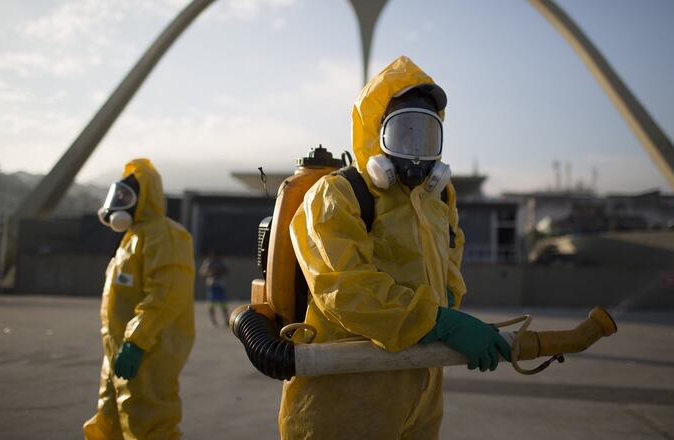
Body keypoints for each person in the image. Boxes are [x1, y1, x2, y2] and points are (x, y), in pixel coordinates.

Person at [280, 56, 510, 438]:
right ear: (376, 133)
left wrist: (448, 317)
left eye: (426, 134)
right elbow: (345, 289)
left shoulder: (437, 203)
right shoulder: (338, 195)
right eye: (404, 132)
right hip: (345, 399)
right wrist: (439, 323)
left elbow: (450, 279)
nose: (416, 148)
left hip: (421, 392)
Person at [84, 158, 195, 439]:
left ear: (145, 197)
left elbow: (167, 295)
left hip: (149, 350)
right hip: (120, 350)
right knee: (110, 420)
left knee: (149, 422)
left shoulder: (165, 235)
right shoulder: (133, 238)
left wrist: (137, 341)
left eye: (125, 196)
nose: (118, 203)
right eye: (116, 196)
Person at [199, 250, 230, 326]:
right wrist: (209, 271)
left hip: (220, 285)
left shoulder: (221, 262)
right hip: (212, 285)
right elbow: (203, 272)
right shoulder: (208, 262)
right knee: (211, 304)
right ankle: (213, 320)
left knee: (223, 304)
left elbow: (227, 270)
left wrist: (218, 271)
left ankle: (226, 319)